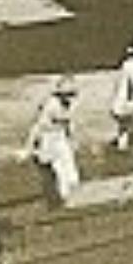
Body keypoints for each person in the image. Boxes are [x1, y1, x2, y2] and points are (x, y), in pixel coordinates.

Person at [25, 75, 81, 205]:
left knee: (71, 174)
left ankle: (73, 198)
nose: (70, 98)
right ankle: (63, 201)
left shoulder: (70, 105)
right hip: (49, 140)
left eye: (72, 94)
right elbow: (37, 128)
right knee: (59, 172)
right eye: (67, 94)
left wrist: (73, 139)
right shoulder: (51, 106)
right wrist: (29, 147)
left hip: (60, 138)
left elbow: (69, 124)